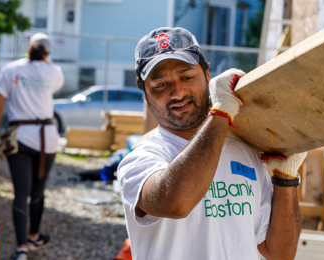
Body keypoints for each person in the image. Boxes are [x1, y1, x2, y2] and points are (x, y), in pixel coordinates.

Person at [118, 27, 307, 259]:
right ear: (145, 96)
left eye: (187, 77)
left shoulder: (245, 153)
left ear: (207, 77)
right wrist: (221, 113)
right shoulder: (140, 161)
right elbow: (177, 203)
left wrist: (285, 179)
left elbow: (279, 253)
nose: (177, 93)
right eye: (161, 85)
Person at [0, 33, 64, 260]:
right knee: (38, 192)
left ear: (27, 48)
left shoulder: (10, 69)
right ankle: (34, 236)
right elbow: (53, 85)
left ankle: (21, 248)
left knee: (21, 193)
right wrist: (46, 62)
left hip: (20, 137)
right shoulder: (54, 71)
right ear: (48, 53)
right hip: (47, 138)